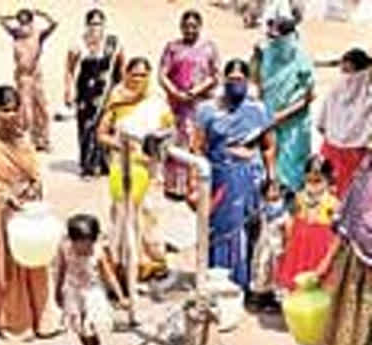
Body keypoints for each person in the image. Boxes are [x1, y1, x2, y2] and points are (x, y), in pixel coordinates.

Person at [0, 85, 61, 342]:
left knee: (37, 263)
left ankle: (44, 320)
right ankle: (15, 323)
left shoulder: (23, 140)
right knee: (10, 270)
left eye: (13, 110)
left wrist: (33, 186)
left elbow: (35, 172)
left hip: (28, 213)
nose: (9, 115)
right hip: (3, 217)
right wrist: (5, 197)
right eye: (4, 110)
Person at [191, 59, 276, 291]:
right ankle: (218, 279)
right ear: (223, 80)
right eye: (231, 80)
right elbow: (197, 147)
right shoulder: (207, 110)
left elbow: (268, 146)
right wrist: (194, 182)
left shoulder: (258, 110)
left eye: (240, 80)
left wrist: (272, 177)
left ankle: (246, 282)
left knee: (250, 229)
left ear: (248, 82)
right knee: (220, 230)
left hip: (251, 178)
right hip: (220, 180)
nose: (236, 84)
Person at [97, 57, 175, 288]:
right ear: (126, 74)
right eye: (134, 74)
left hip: (150, 169)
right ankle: (123, 265)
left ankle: (151, 263)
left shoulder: (157, 102)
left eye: (143, 75)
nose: (138, 79)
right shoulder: (117, 100)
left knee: (149, 215)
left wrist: (156, 147)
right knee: (123, 217)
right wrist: (121, 146)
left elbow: (170, 131)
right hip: (123, 167)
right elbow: (101, 134)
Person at [312, 154, 372, 345]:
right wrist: (325, 263)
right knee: (350, 340)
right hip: (358, 271)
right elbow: (349, 217)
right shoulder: (366, 171)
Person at [159, 10, 220, 198]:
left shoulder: (209, 48)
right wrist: (175, 92)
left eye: (194, 26)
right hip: (177, 105)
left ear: (200, 27)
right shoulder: (172, 47)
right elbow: (162, 74)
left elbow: (216, 75)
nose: (190, 30)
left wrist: (196, 91)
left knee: (199, 142)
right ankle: (176, 186)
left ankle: (196, 185)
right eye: (186, 26)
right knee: (178, 141)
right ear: (181, 27)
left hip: (200, 104)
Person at [252, 16, 315, 192]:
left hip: (293, 125)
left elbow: (309, 96)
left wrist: (282, 115)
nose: (272, 41)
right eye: (270, 36)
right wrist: (255, 59)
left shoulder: (302, 60)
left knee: (290, 168)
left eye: (277, 38)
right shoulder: (266, 54)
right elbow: (257, 83)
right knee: (266, 161)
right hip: (268, 118)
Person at [56, 214, 127, 345]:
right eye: (79, 244)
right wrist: (58, 290)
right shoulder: (65, 249)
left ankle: (92, 341)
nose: (84, 249)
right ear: (72, 240)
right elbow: (61, 269)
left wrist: (120, 296)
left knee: (91, 323)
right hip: (73, 291)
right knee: (77, 324)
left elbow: (109, 276)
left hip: (92, 293)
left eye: (88, 245)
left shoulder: (98, 254)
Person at [65, 8, 124, 178]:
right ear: (86, 25)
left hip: (107, 92)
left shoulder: (113, 43)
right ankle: (88, 165)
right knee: (86, 127)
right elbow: (69, 69)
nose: (95, 27)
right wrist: (68, 90)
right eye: (92, 24)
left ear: (104, 25)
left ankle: (104, 164)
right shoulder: (78, 44)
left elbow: (121, 67)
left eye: (98, 23)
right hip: (85, 93)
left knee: (106, 126)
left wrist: (121, 92)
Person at [0, 8, 58, 151]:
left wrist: (41, 14)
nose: (24, 25)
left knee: (41, 108)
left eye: (27, 21)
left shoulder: (38, 35)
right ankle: (28, 140)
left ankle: (44, 139)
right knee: (25, 110)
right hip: (22, 77)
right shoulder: (16, 35)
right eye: (21, 22)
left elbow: (54, 23)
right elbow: (0, 19)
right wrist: (12, 16)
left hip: (36, 76)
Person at [276, 156, 338, 291]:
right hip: (299, 247)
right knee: (298, 282)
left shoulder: (333, 202)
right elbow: (291, 221)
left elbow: (337, 231)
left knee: (320, 283)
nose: (313, 185)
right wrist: (285, 242)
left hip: (321, 247)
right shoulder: (299, 197)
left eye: (318, 181)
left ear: (327, 180)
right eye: (309, 180)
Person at [317, 48, 372, 199]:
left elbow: (320, 126)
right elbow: (321, 124)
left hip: (352, 156)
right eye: (343, 71)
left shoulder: (367, 100)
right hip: (335, 153)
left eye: (349, 71)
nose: (346, 77)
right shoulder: (335, 92)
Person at [249, 178, 288, 311]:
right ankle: (261, 296)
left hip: (277, 244)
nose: (275, 192)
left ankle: (274, 299)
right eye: (271, 190)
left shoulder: (282, 209)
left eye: (276, 189)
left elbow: (286, 227)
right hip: (264, 242)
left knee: (275, 270)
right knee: (262, 268)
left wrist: (286, 242)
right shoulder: (263, 208)